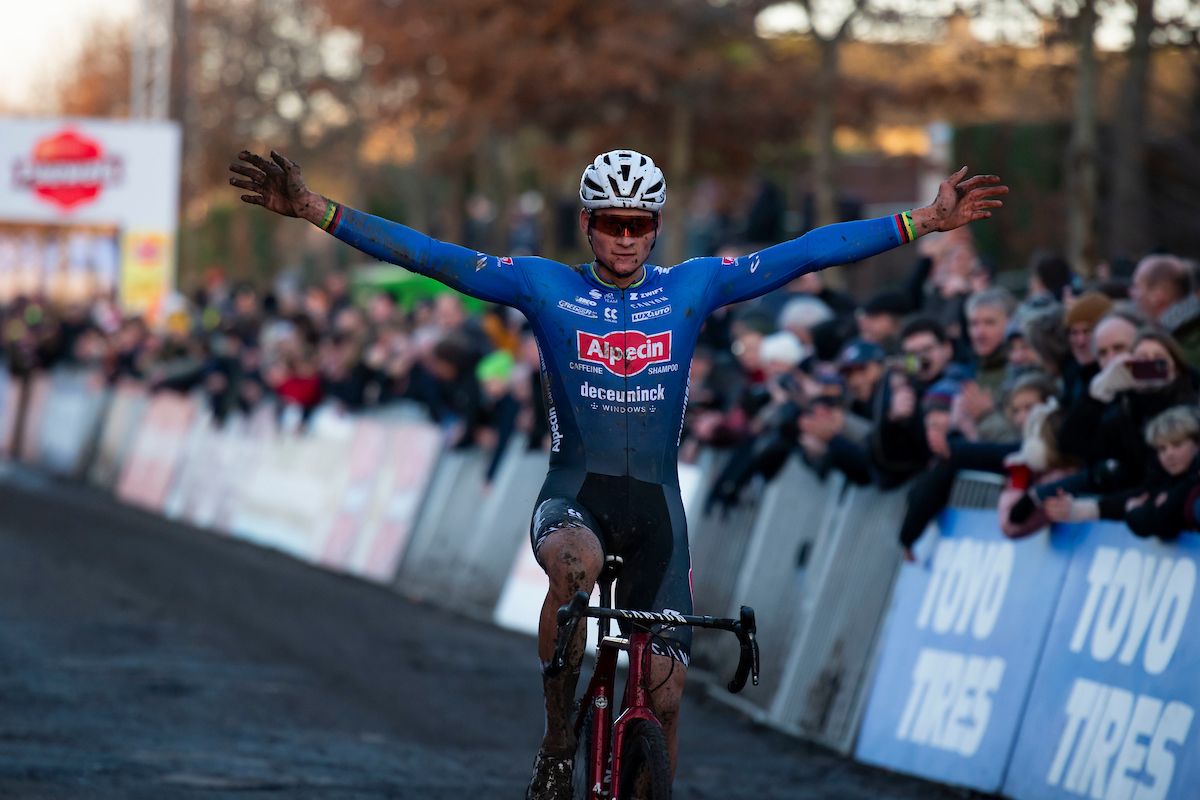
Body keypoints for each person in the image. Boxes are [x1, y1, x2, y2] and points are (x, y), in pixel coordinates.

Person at [229, 147, 1006, 800]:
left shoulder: (693, 286)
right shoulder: (543, 284)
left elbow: (808, 251)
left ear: (657, 227)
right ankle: (558, 734)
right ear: (587, 224)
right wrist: (316, 209)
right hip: (576, 495)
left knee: (665, 698)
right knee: (576, 567)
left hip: (659, 509)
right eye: (611, 223)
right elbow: (432, 256)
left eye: (639, 225)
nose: (626, 239)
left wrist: (921, 222)